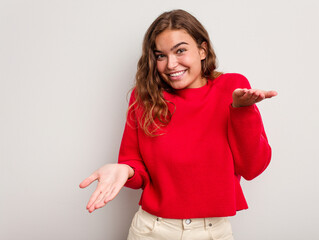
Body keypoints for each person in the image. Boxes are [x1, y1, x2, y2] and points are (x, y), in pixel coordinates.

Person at [79, 9, 277, 240]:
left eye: (180, 51)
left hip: (211, 232)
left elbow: (253, 168)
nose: (171, 64)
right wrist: (126, 169)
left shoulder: (232, 88)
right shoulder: (144, 98)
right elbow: (135, 164)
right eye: (160, 55)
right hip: (152, 230)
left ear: (202, 50)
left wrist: (242, 112)